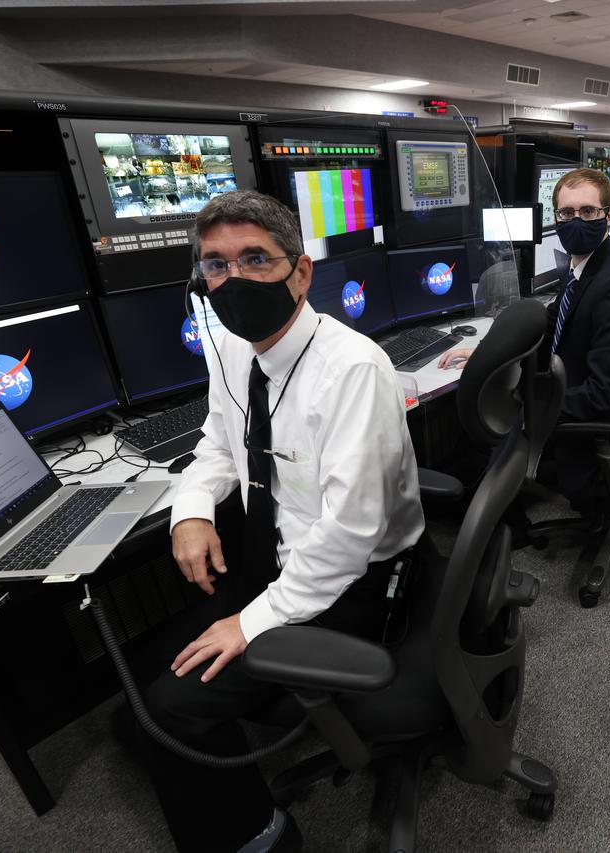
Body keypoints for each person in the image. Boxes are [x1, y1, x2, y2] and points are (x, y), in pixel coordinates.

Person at [141, 191, 424, 853]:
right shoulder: (234, 348)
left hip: (356, 581)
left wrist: (251, 621)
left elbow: (350, 538)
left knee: (170, 706)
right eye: (215, 265)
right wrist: (191, 510)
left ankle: (259, 837)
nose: (231, 279)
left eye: (254, 259)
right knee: (154, 666)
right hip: (277, 556)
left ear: (300, 272)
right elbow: (217, 440)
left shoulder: (352, 369)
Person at [438, 167, 610, 504]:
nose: (576, 220)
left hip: (603, 427)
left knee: (486, 430)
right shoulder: (583, 267)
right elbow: (550, 321)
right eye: (567, 212)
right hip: (574, 393)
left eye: (588, 211)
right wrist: (487, 354)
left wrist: (526, 402)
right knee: (474, 428)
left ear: (608, 216)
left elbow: (603, 394)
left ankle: (483, 518)